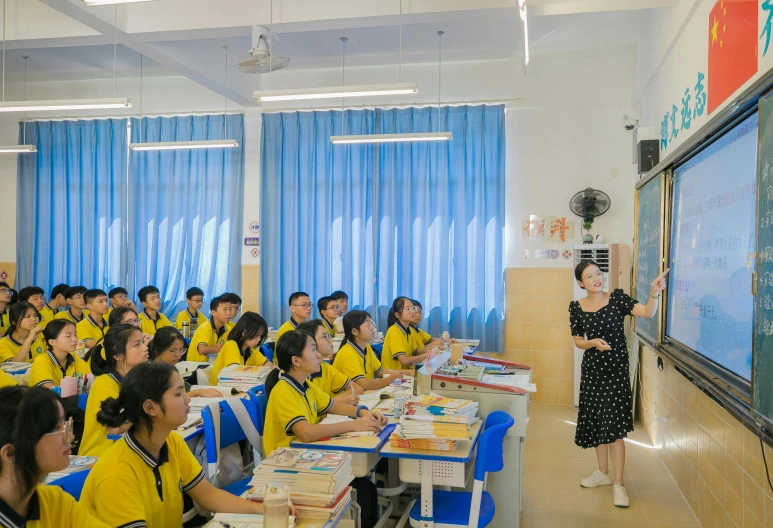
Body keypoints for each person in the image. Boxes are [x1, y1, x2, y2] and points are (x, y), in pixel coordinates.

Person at [80, 362, 270, 527]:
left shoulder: (172, 442)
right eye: (178, 394)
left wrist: (261, 508)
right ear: (150, 408)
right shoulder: (116, 473)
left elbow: (208, 495)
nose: (188, 398)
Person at [569, 260, 668, 508]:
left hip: (615, 373)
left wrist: (653, 293)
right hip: (592, 372)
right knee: (598, 423)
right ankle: (602, 473)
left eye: (598, 273)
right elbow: (578, 341)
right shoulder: (576, 307)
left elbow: (648, 312)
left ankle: (619, 484)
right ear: (581, 283)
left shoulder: (617, 299)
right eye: (589, 276)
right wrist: (593, 343)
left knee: (614, 430)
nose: (596, 278)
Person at [265, 331, 385, 528]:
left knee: (367, 487)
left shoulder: (306, 385)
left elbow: (333, 405)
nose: (319, 355)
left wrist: (363, 412)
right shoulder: (283, 391)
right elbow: (307, 433)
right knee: (361, 492)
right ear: (296, 360)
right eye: (313, 350)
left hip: (306, 456)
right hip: (287, 468)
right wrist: (355, 424)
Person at [0, 386, 109, 527]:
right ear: (10, 453)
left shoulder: (56, 503)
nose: (70, 436)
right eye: (57, 429)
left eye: (65, 425)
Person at [79, 323, 149, 457]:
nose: (145, 348)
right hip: (100, 456)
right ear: (118, 355)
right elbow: (115, 428)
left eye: (143, 342)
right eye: (137, 344)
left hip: (129, 450)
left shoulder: (139, 379)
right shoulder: (104, 383)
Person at [296, 320, 362, 404]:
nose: (330, 340)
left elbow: (357, 388)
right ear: (309, 342)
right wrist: (334, 402)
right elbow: (309, 406)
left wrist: (330, 403)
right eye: (324, 337)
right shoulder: (299, 374)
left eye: (328, 335)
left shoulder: (324, 367)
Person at [333, 310, 401, 390]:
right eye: (368, 325)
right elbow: (363, 385)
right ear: (355, 331)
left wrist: (402, 374)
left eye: (371, 323)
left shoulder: (366, 346)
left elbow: (380, 372)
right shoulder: (347, 354)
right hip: (347, 399)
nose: (373, 328)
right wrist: (389, 379)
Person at [148, 327, 222, 398]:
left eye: (181, 350)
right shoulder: (153, 374)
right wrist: (197, 392)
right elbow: (168, 400)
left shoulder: (171, 368)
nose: (178, 355)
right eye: (173, 351)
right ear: (157, 350)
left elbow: (182, 392)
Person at [210, 312, 274, 385]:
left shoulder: (250, 350)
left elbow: (268, 364)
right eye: (256, 335)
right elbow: (236, 373)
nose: (259, 339)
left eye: (261, 336)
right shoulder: (231, 345)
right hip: (221, 390)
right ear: (244, 332)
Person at [29, 320, 90, 388]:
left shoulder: (75, 359)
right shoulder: (41, 360)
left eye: (75, 335)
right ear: (52, 342)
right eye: (68, 336)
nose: (74, 339)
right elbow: (49, 389)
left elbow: (90, 383)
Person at [381, 297, 428, 371]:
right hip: (393, 376)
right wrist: (426, 355)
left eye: (413, 308)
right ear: (397, 315)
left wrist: (430, 350)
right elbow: (404, 361)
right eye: (407, 309)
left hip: (405, 373)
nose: (413, 312)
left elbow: (415, 351)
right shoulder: (394, 331)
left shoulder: (408, 330)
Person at [187, 296, 233, 362]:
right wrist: (222, 348)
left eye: (230, 309)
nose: (229, 313)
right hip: (196, 367)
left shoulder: (228, 328)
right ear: (213, 312)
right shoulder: (205, 327)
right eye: (225, 309)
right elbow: (202, 350)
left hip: (213, 365)